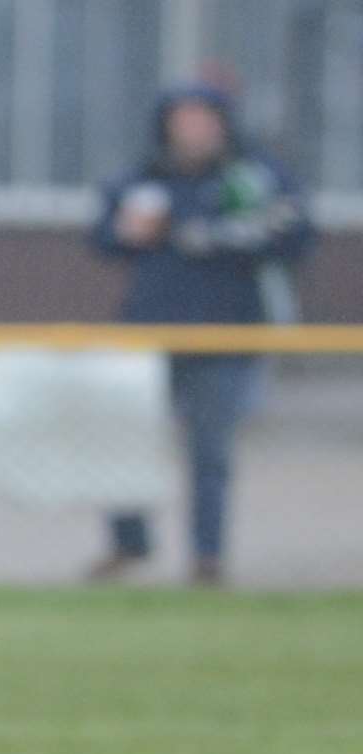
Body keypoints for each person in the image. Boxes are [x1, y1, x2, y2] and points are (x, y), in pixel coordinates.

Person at [89, 83, 313, 587]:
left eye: (202, 117)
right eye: (182, 117)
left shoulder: (251, 178)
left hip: (223, 333)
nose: (191, 128)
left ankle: (206, 557)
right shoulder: (144, 178)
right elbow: (102, 237)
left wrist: (218, 237)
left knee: (210, 450)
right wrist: (125, 232)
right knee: (126, 439)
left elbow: (296, 235)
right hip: (147, 332)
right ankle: (129, 543)